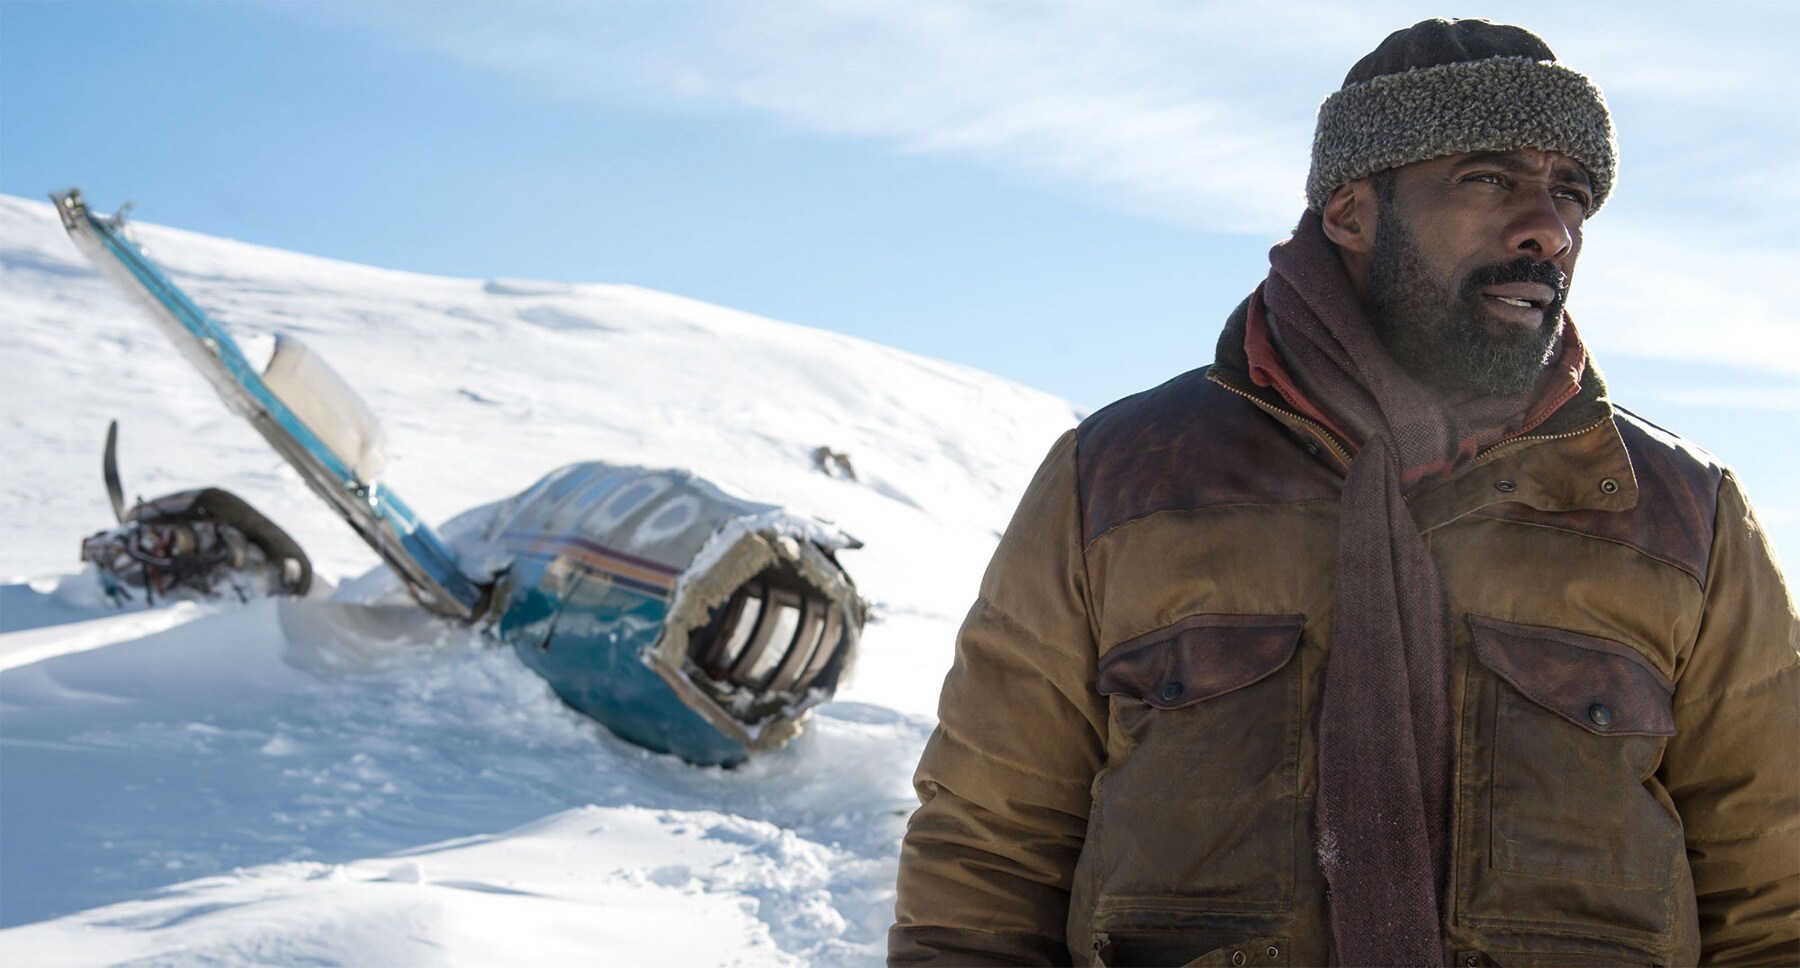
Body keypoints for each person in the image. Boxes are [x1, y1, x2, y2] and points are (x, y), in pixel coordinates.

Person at [889, 18, 1798, 968]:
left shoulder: (1679, 516)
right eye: (1489, 179)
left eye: (1572, 194)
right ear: (1351, 211)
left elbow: (1774, 892)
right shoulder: (1120, 481)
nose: (1550, 228)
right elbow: (988, 861)